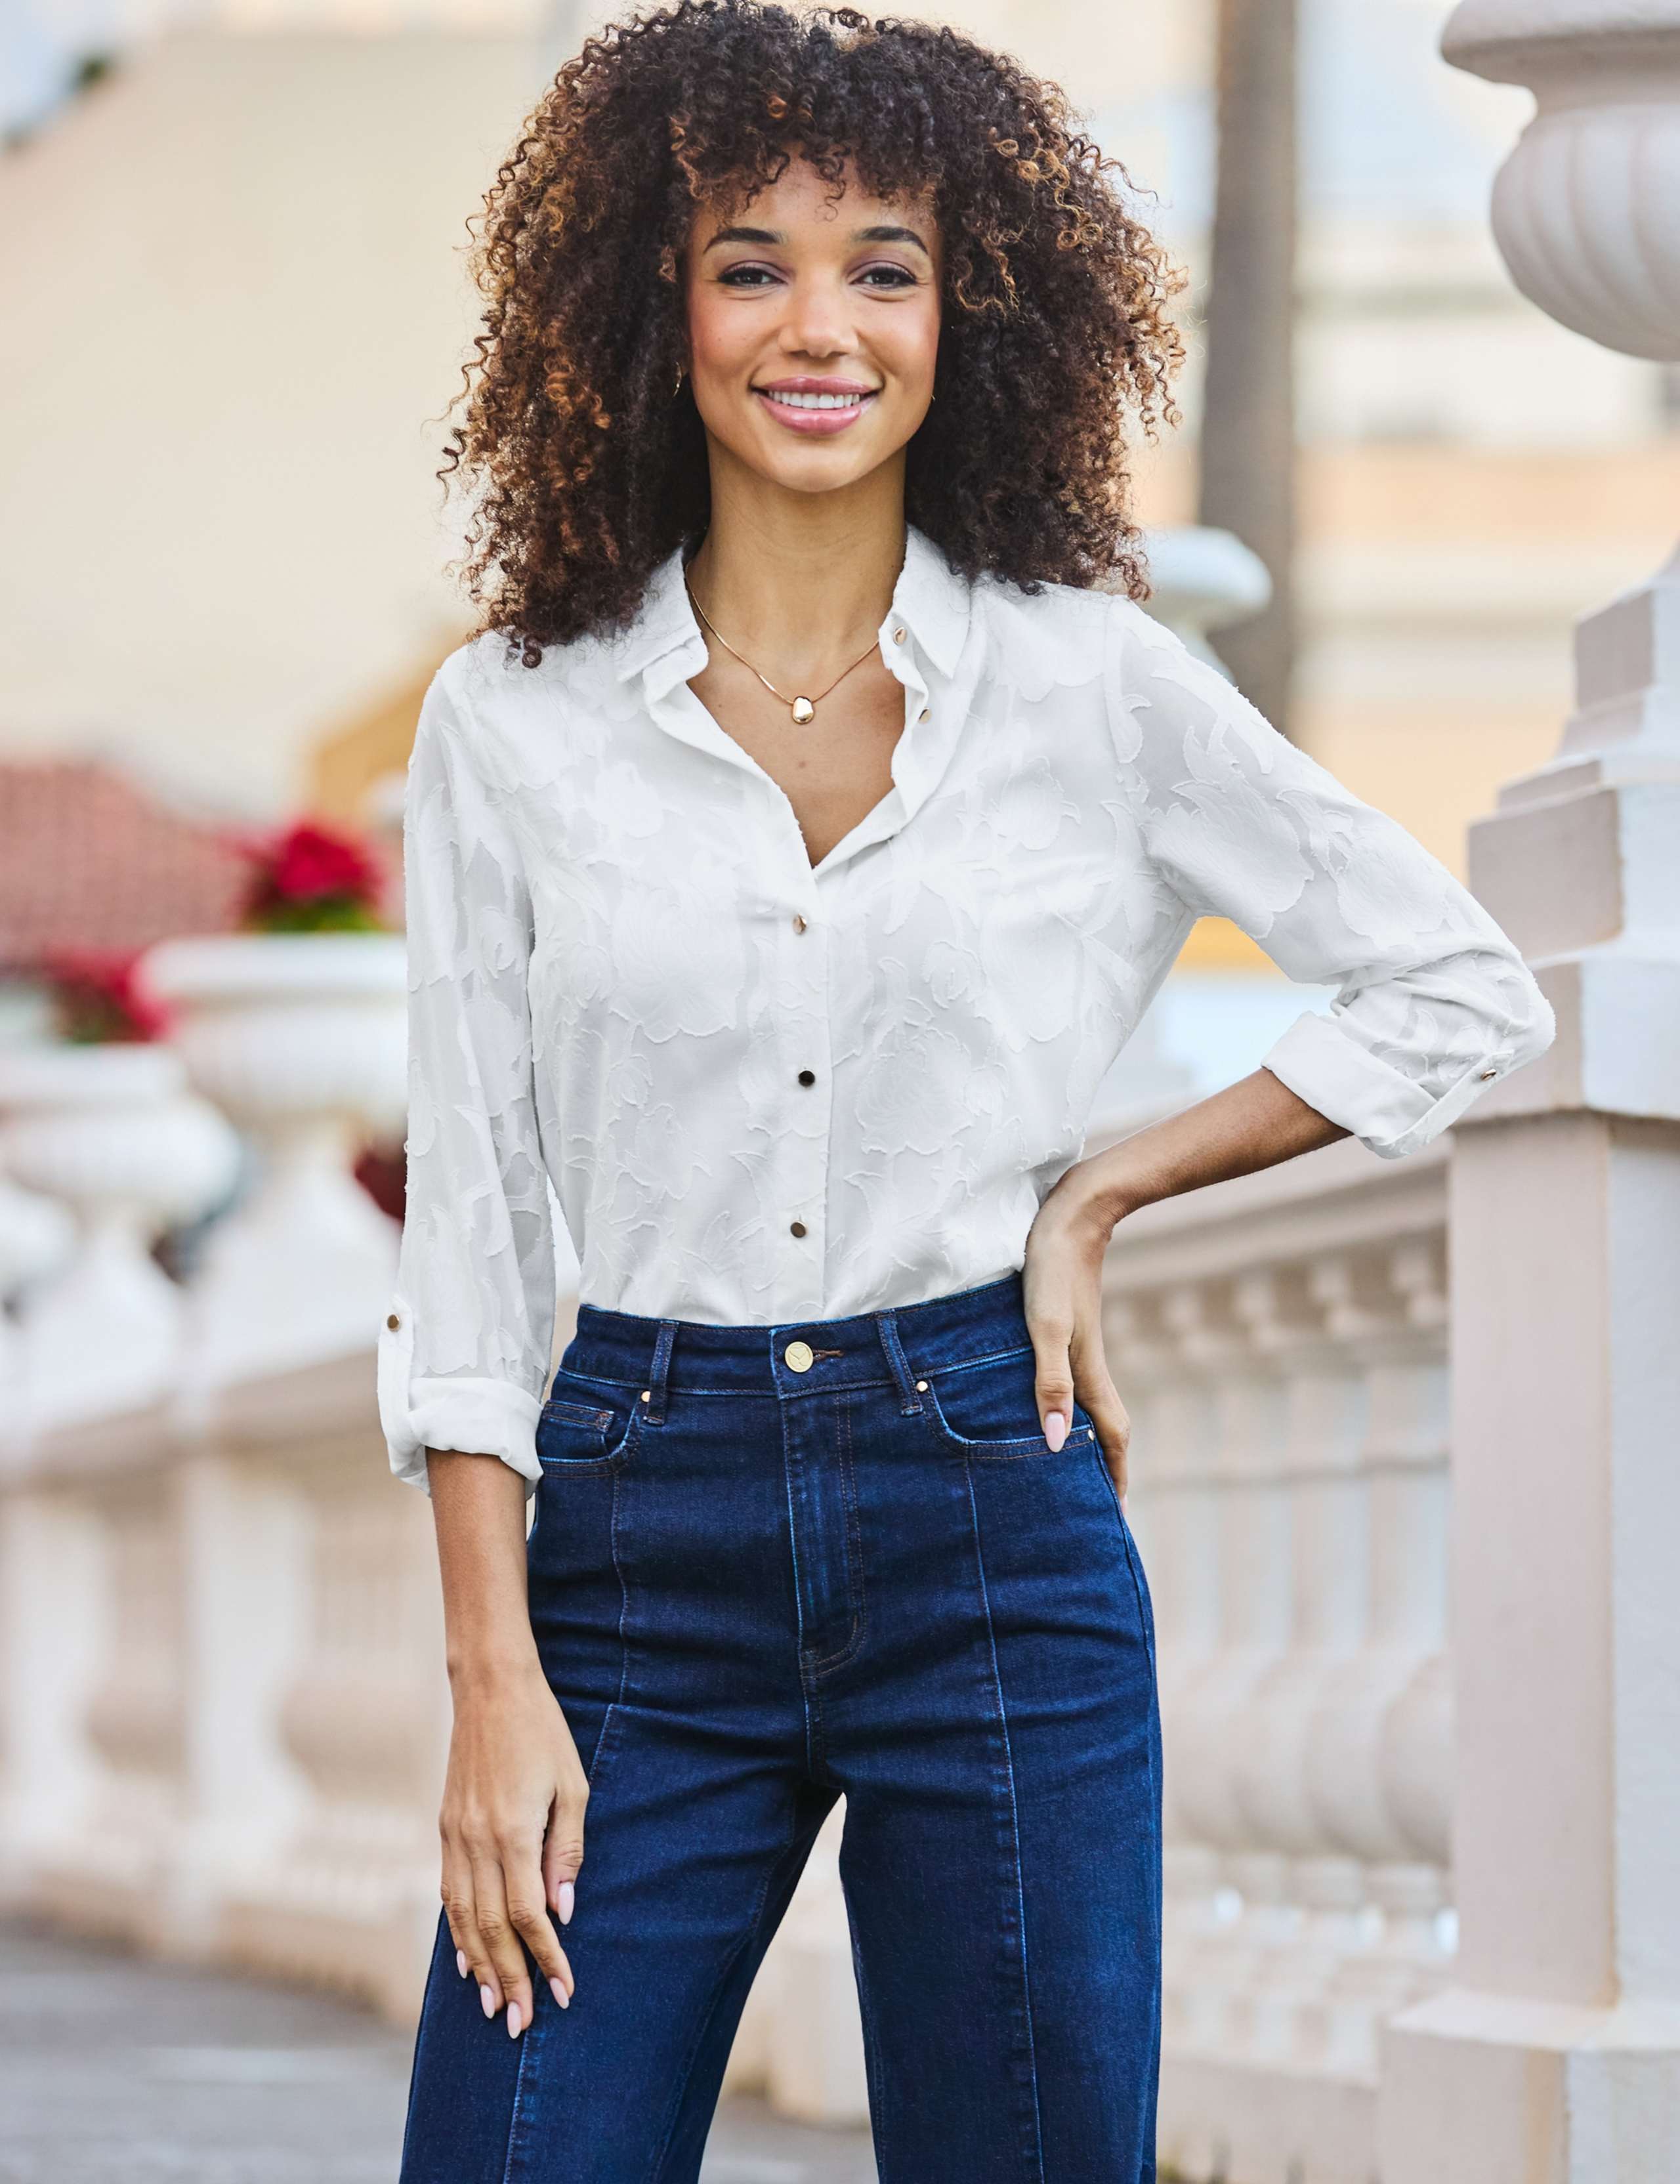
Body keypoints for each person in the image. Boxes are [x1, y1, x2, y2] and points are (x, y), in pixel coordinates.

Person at [377, 5, 1553, 2177]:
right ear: (657, 304)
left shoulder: (1095, 687)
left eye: (884, 265)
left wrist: (1095, 1198)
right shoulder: (513, 721)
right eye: (753, 262)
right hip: (635, 1534)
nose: (820, 328)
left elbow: (1452, 982)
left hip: (985, 1526)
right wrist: (488, 1684)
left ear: (966, 311)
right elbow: (473, 1232)